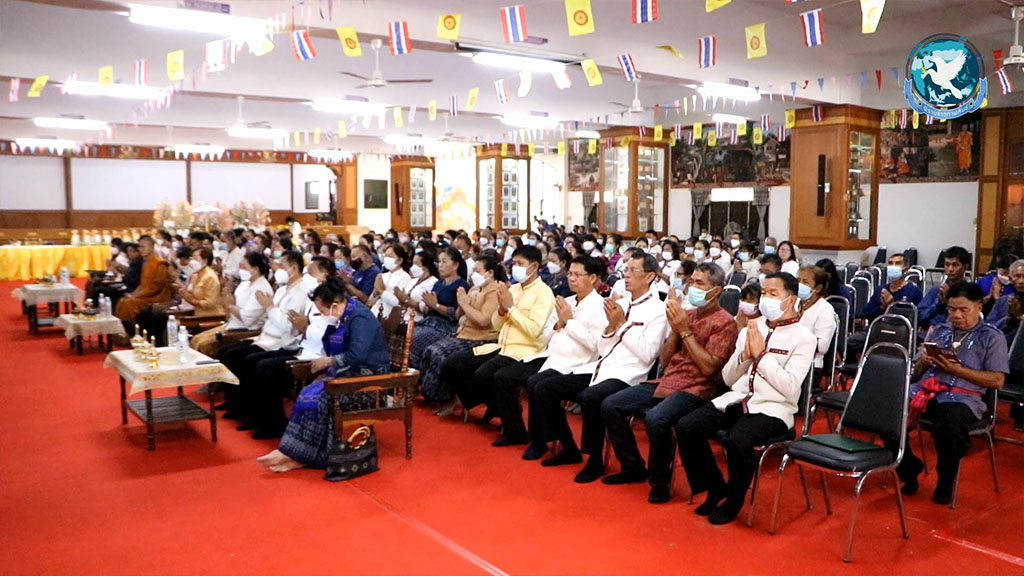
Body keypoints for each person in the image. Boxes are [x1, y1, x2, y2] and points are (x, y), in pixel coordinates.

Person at [675, 272, 816, 525]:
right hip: (736, 398)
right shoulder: (752, 328)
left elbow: (790, 387)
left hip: (773, 408)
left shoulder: (804, 338)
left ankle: (734, 499)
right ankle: (715, 486)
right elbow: (728, 378)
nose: (766, 298)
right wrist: (746, 356)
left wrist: (762, 356)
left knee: (738, 440)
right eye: (764, 293)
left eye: (773, 294)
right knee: (687, 426)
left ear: (791, 300)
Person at [600, 263, 737, 503]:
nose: (692, 287)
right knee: (610, 405)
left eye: (700, 283)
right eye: (691, 282)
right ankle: (632, 466)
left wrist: (684, 331)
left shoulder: (725, 323)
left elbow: (709, 368)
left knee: (656, 419)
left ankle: (659, 482)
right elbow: (664, 360)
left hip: (697, 387)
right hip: (668, 380)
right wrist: (675, 328)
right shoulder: (688, 315)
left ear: (716, 291)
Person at [529, 253, 668, 484]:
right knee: (545, 387)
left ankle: (595, 460)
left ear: (650, 276)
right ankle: (567, 447)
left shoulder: (657, 310)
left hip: (629, 373)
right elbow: (602, 348)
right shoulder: (621, 304)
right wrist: (611, 328)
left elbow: (648, 354)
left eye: (634, 271)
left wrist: (621, 325)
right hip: (601, 367)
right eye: (626, 270)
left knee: (592, 397)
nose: (627, 275)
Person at [889, 283, 1008, 505]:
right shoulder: (939, 331)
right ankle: (908, 467)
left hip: (964, 398)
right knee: (886, 412)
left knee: (949, 425)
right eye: (952, 309)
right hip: (925, 390)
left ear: (979, 307)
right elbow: (913, 374)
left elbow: (997, 380)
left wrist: (956, 370)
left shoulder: (992, 337)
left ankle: (945, 481)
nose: (957, 315)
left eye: (963, 310)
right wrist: (924, 363)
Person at [491, 256, 607, 450]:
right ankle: (531, 437)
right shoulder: (565, 301)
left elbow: (595, 344)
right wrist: (559, 323)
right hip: (551, 356)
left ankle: (548, 442)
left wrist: (569, 322)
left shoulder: (600, 306)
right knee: (512, 378)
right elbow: (545, 335)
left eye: (578, 275)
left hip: (577, 362)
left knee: (538, 384)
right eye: (570, 274)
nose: (571, 279)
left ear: (593, 278)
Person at [446, 245, 555, 426]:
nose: (515, 267)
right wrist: (502, 310)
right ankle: (495, 406)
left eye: (520, 264)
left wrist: (510, 308)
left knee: (485, 374)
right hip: (501, 345)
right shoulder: (514, 289)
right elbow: (497, 325)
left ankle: (506, 417)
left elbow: (534, 329)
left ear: (535, 266)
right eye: (514, 263)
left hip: (525, 350)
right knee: (453, 363)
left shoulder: (544, 293)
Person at [244, 257, 336, 439]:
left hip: (317, 354)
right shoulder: (314, 298)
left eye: (311, 273)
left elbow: (328, 335)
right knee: (254, 361)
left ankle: (274, 423)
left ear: (325, 275)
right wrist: (302, 326)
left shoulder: (332, 302)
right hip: (301, 346)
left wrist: (305, 327)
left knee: (265, 367)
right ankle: (259, 418)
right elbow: (300, 326)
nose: (307, 277)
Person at [217, 251, 311, 423]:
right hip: (266, 337)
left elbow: (287, 326)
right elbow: (270, 319)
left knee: (252, 361)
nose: (276, 269)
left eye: (281, 265)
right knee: (227, 352)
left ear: (293, 268)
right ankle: (238, 407)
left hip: (282, 341)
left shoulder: (300, 293)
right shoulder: (282, 290)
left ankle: (265, 419)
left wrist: (269, 307)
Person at [419, 255, 504, 413]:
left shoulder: (495, 291)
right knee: (430, 350)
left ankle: (447, 399)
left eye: (478, 271)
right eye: (473, 271)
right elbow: (459, 315)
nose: (474, 275)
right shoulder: (475, 288)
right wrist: (461, 301)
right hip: (463, 333)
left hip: (482, 338)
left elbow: (483, 320)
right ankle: (432, 395)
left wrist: (465, 304)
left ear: (490, 273)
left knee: (441, 354)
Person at [136, 247, 224, 346]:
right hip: (192, 309)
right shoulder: (196, 275)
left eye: (196, 257)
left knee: (158, 317)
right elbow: (190, 292)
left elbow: (209, 303)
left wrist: (189, 298)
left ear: (205, 260)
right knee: (146, 313)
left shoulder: (210, 277)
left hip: (206, 315)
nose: (192, 260)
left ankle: (159, 346)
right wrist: (181, 289)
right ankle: (146, 342)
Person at [191, 252, 274, 356]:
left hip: (246, 330)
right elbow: (229, 309)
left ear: (255, 269)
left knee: (204, 344)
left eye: (244, 267)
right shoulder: (244, 284)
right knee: (196, 339)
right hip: (231, 324)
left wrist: (231, 305)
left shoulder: (262, 288)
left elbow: (248, 318)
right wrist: (227, 301)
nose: (241, 270)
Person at [406, 247, 470, 369]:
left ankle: (416, 372)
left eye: (444, 261)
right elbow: (429, 307)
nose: (440, 265)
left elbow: (456, 314)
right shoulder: (438, 284)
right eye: (439, 261)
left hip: (445, 327)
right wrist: (428, 305)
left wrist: (435, 305)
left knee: (414, 340)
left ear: (455, 265)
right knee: (405, 335)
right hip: (429, 322)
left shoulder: (461, 286)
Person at [115, 235, 174, 329]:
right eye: (139, 247)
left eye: (143, 247)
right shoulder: (145, 264)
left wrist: (137, 296)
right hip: (145, 295)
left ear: (152, 247)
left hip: (156, 297)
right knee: (123, 301)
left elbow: (156, 287)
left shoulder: (160, 264)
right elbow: (142, 285)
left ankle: (131, 331)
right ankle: (121, 331)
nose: (140, 249)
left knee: (129, 303)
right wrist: (134, 294)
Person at [919, 246, 973, 330]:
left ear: (966, 266)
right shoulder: (937, 290)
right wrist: (939, 304)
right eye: (947, 265)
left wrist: (949, 303)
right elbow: (919, 318)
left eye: (955, 265)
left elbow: (970, 320)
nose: (950, 269)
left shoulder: (971, 292)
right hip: (931, 332)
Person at [796, 266, 838, 372]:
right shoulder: (793, 303)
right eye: (798, 280)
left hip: (810, 365)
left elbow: (822, 346)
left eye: (805, 282)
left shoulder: (825, 309)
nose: (799, 284)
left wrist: (794, 339)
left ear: (818, 288)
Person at [863, 253, 924, 320]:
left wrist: (892, 305)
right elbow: (867, 313)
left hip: (901, 325)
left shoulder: (914, 292)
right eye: (890, 263)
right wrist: (882, 307)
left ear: (906, 269)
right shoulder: (880, 289)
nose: (893, 266)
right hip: (879, 324)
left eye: (897, 263)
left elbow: (915, 317)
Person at [393, 250, 440, 324]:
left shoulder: (433, 283)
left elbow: (426, 308)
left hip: (417, 321)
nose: (413, 267)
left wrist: (406, 300)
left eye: (416, 263)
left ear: (426, 267)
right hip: (402, 318)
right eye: (413, 263)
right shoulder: (413, 281)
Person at [367, 244, 412, 321]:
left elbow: (397, 303)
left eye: (390, 256)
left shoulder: (405, 277)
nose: (386, 258)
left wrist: (381, 291)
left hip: (389, 317)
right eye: (386, 256)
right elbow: (370, 302)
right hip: (375, 313)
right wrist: (375, 293)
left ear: (400, 260)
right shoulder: (383, 275)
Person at [987, 259, 1024, 347]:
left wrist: (1020, 316)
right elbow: (988, 330)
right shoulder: (1002, 301)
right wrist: (1008, 318)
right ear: (1010, 279)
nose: (1021, 281)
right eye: (1017, 276)